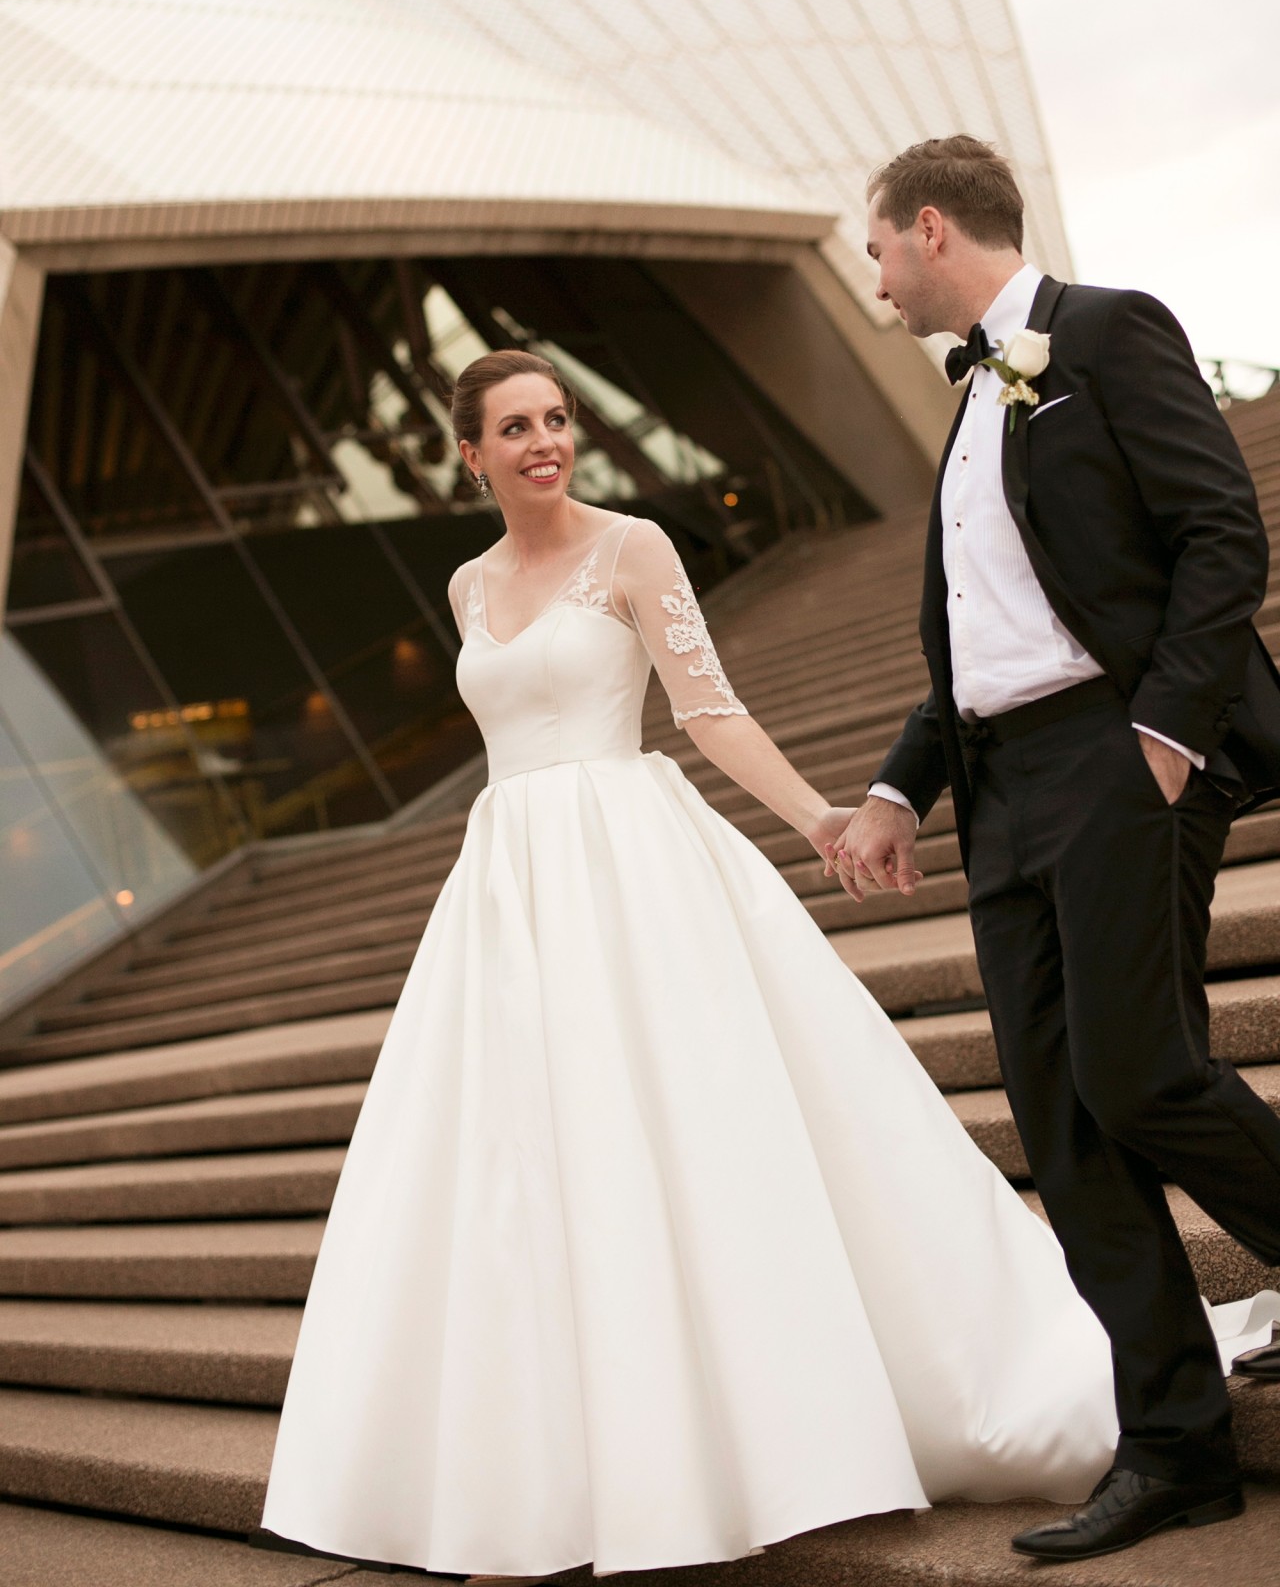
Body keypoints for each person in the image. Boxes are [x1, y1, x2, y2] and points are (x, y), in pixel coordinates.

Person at [261, 349, 1130, 1581]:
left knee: (680, 1129)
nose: (544, 441)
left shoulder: (635, 549)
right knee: (523, 1161)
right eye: (514, 428)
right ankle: (559, 1462)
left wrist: (817, 818)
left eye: (557, 418)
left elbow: (705, 707)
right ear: (470, 456)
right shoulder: (463, 586)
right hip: (507, 887)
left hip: (628, 865)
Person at [839, 135, 1280, 1564]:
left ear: (926, 228)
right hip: (1003, 790)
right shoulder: (969, 408)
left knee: (1137, 1068)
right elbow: (978, 640)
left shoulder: (1105, 333)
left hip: (1117, 755)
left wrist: (1162, 734)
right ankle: (1176, 1451)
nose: (871, 276)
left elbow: (1222, 533)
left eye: (876, 249)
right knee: (1065, 1124)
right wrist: (904, 790)